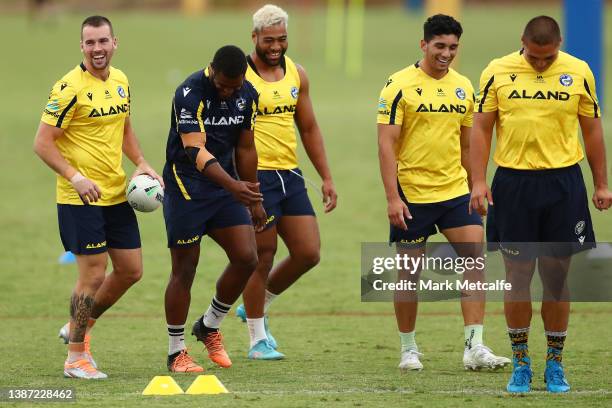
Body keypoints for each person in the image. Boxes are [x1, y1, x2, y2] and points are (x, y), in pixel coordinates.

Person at [470, 16, 612, 393]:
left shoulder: (579, 71)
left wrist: (601, 183)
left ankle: (555, 363)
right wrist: (479, 181)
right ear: (522, 43)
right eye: (534, 58)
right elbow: (482, 127)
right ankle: (520, 362)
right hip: (513, 184)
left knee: (555, 278)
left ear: (560, 44)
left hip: (563, 184)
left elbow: (592, 128)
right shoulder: (497, 71)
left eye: (548, 58)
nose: (541, 64)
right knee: (517, 277)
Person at [377, 14, 510, 373]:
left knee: (475, 262)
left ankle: (474, 347)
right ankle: (408, 349)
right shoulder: (398, 85)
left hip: (455, 193)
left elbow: (469, 145)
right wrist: (393, 197)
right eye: (439, 46)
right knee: (409, 274)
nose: (446, 53)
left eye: (452, 47)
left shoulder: (464, 86)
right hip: (413, 195)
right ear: (424, 45)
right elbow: (386, 145)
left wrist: (476, 185)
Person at [33, 15, 163, 379]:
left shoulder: (121, 81)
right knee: (92, 274)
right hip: (80, 199)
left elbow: (124, 129)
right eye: (90, 43)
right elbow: (42, 143)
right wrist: (75, 177)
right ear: (82, 46)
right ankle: (76, 357)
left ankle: (77, 325)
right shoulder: (68, 88)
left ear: (115, 43)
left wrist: (141, 163)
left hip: (116, 192)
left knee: (131, 270)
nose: (97, 49)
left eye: (103, 41)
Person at [233, 4, 338, 360]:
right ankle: (256, 339)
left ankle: (256, 303)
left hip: (290, 175)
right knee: (261, 257)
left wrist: (325, 177)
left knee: (308, 253)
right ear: (255, 38)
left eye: (282, 39)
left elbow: (308, 128)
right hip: (254, 178)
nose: (276, 46)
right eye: (269, 40)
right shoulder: (240, 76)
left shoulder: (297, 74)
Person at [162, 45, 266, 373]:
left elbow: (246, 147)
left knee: (247, 256)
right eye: (223, 84)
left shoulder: (247, 94)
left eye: (234, 86)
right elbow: (194, 149)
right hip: (186, 187)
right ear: (211, 71)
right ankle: (176, 351)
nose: (228, 91)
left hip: (224, 187)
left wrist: (254, 198)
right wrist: (233, 186)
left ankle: (209, 325)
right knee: (185, 269)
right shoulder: (190, 92)